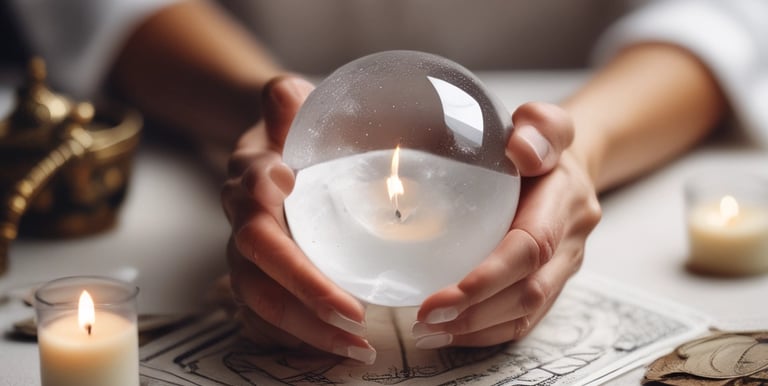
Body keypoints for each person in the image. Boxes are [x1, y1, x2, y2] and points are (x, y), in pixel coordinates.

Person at [9, 0, 767, 365]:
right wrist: (272, 112)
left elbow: (730, 14)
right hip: (231, 107)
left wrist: (582, 142)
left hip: (589, 97)